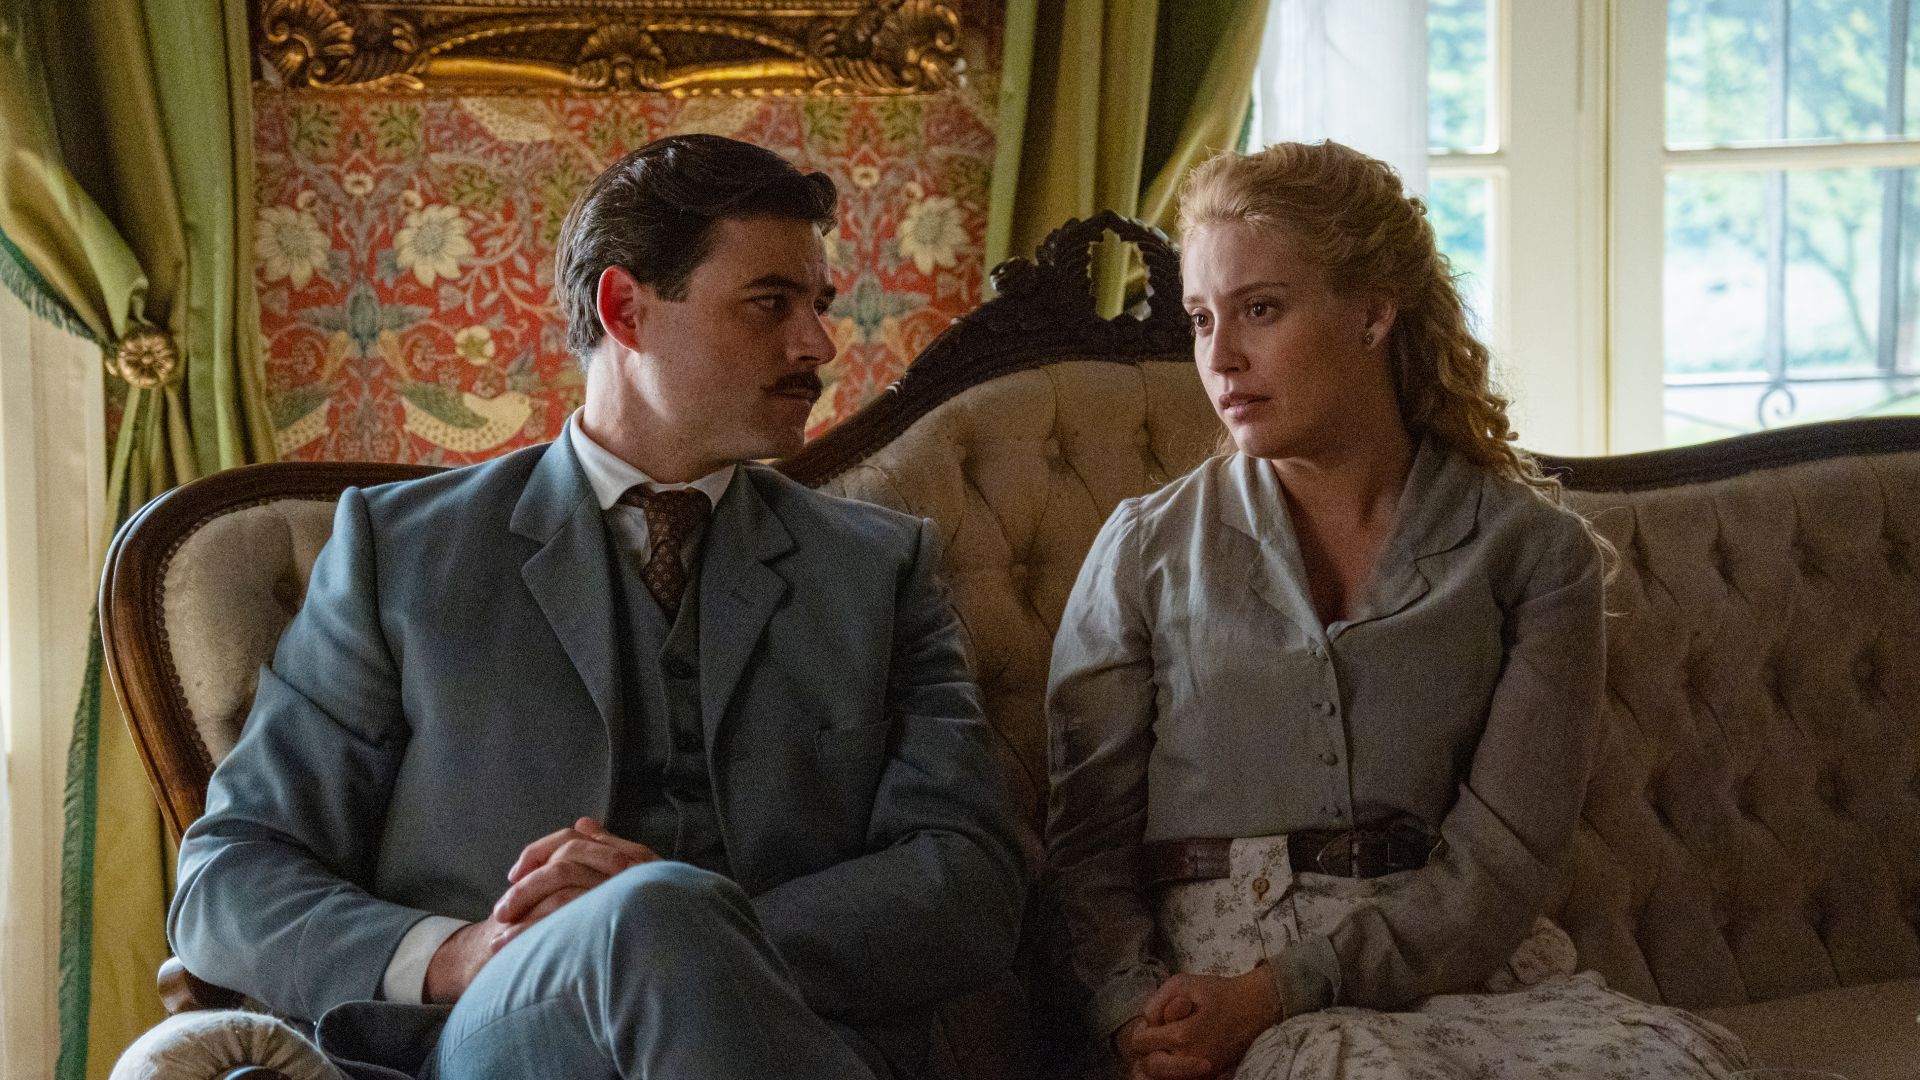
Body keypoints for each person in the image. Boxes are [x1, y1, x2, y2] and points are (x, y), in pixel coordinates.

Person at [169, 134, 1027, 1080]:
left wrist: (688, 929)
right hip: (497, 1039)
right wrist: (461, 955)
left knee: (657, 914)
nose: (818, 344)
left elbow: (972, 880)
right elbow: (230, 876)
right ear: (625, 309)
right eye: (770, 302)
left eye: (818, 305)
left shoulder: (882, 569)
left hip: (798, 1036)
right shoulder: (399, 553)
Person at [1044, 141, 1749, 1079]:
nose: (1220, 357)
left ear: (1374, 311)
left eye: (1261, 309)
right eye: (1202, 318)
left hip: (1465, 976)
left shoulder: (1534, 554)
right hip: (1215, 989)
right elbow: (1087, 847)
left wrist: (1288, 987)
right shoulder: (1145, 548)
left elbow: (1504, 860)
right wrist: (1133, 1013)